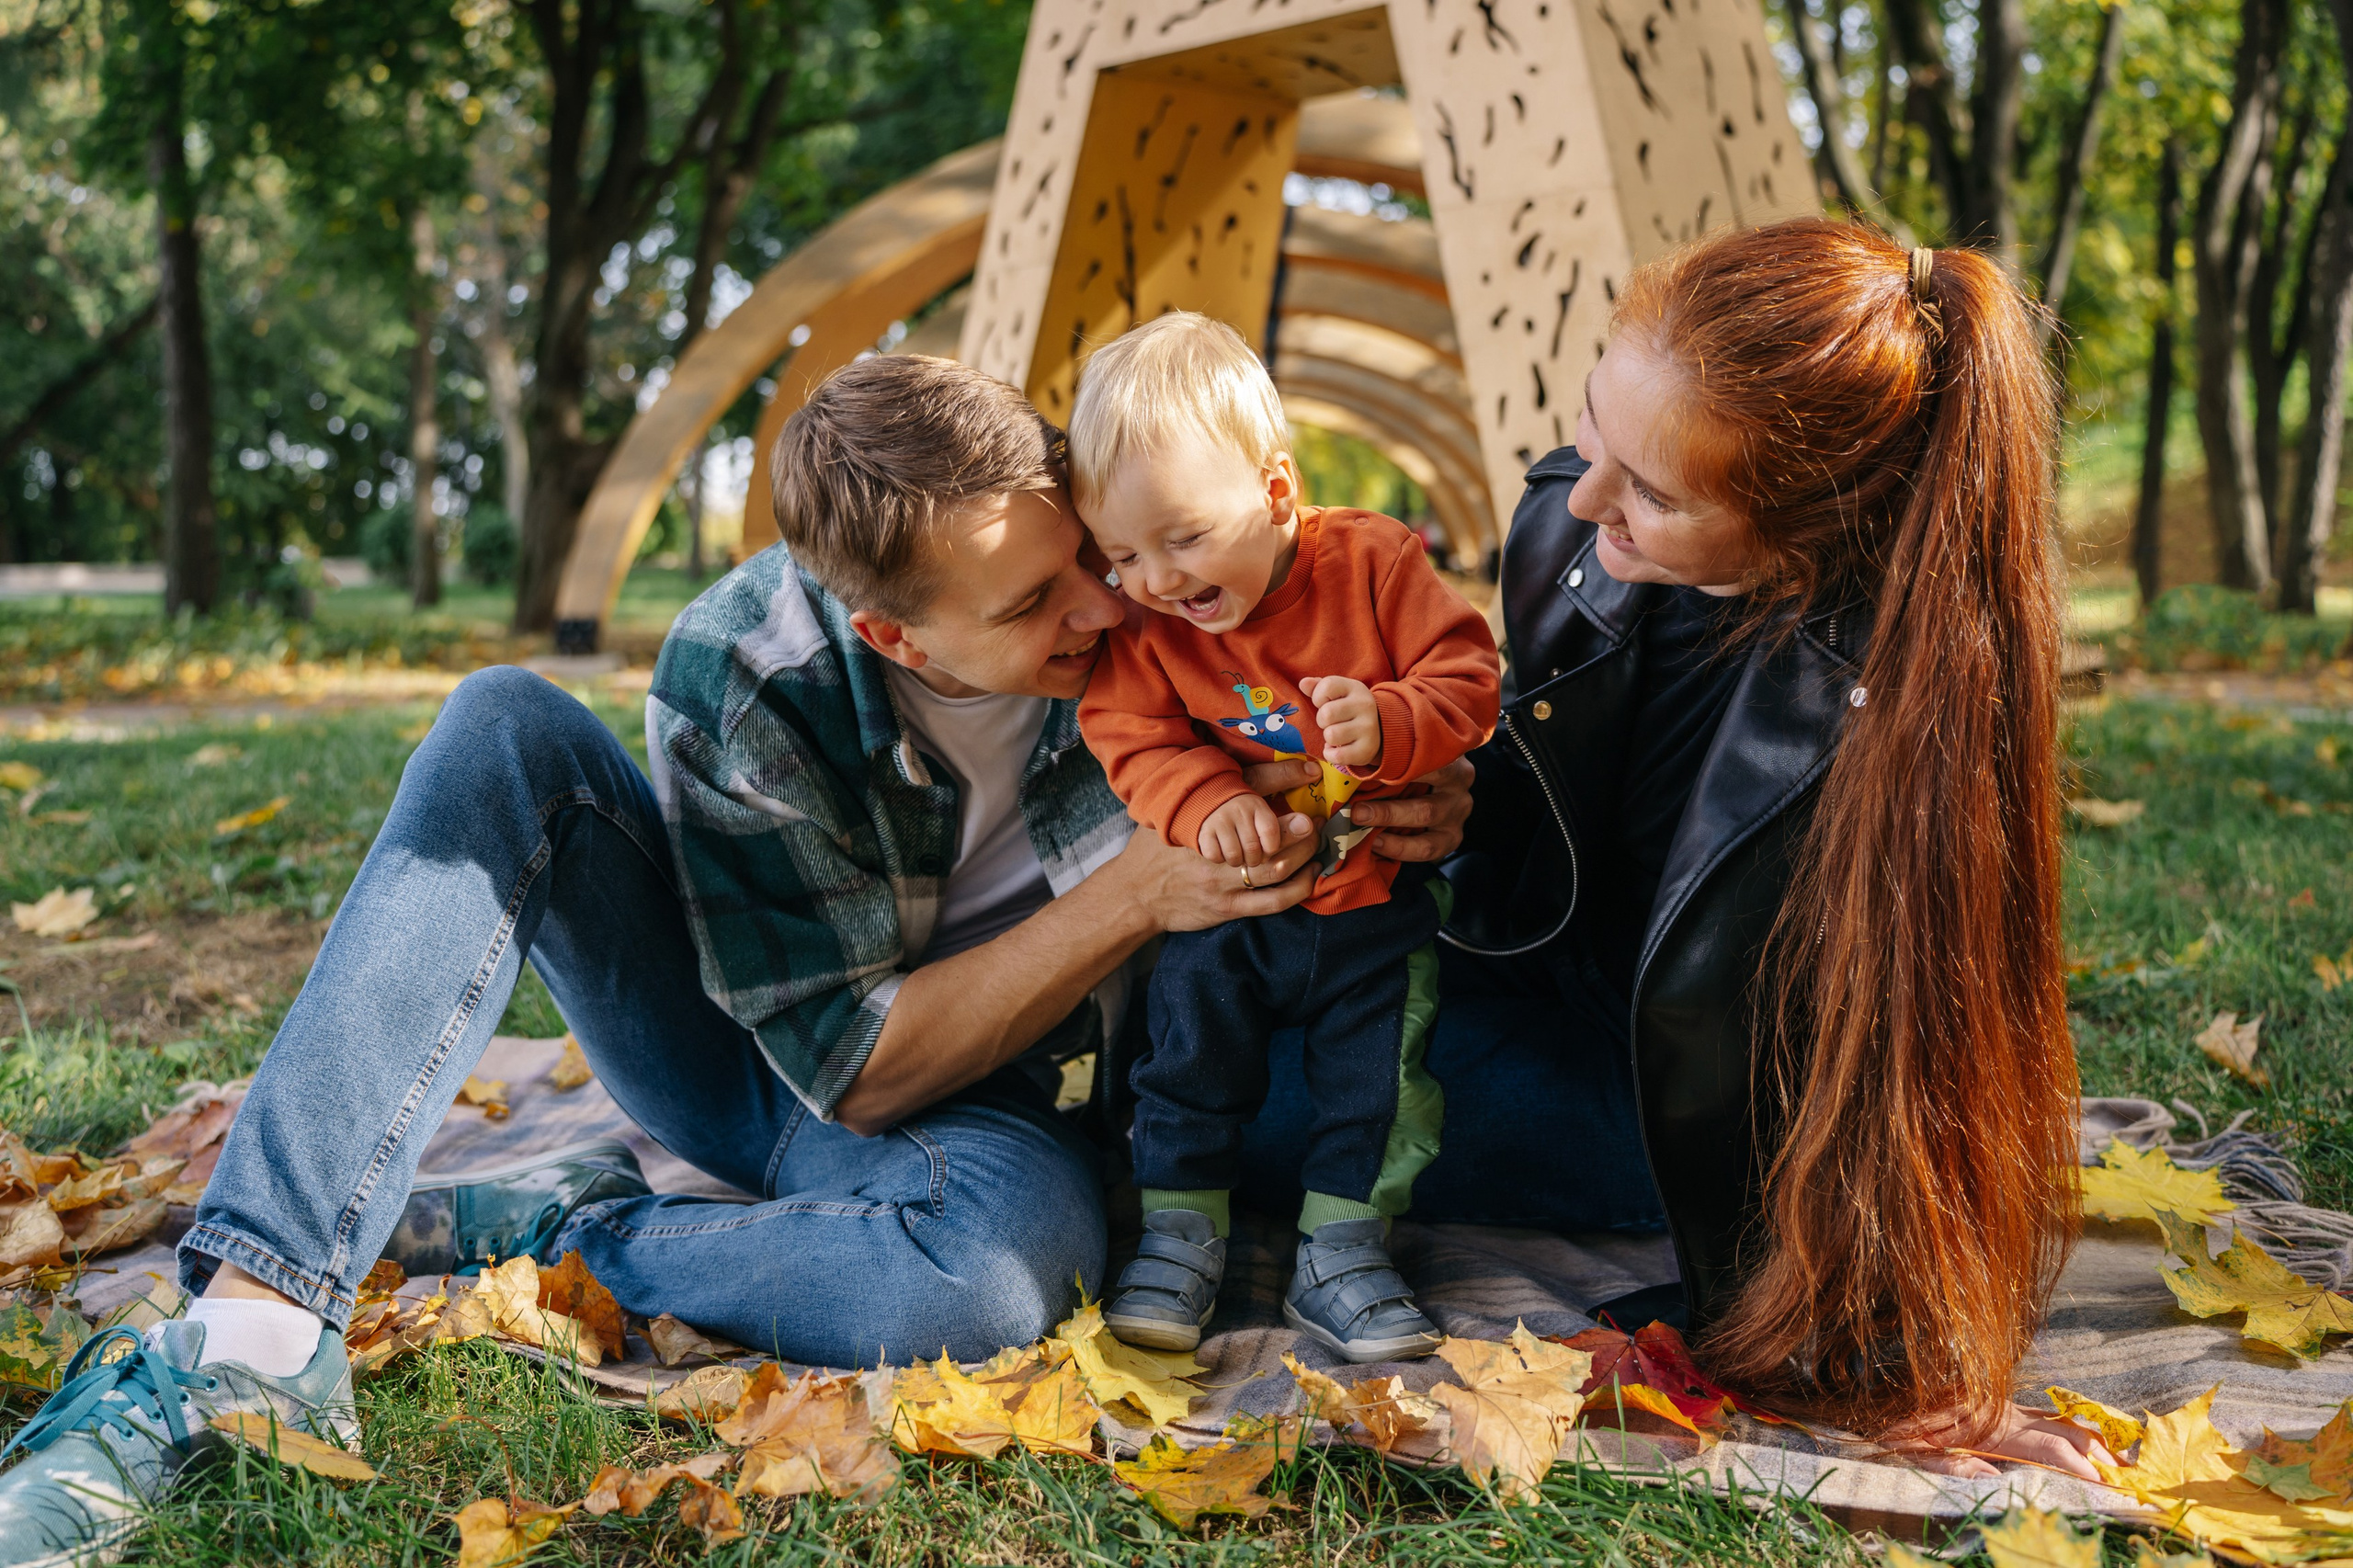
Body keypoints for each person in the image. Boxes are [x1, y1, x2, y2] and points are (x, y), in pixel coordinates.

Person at [0, 353, 1472, 1564]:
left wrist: (1425, 781)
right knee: (504, 723)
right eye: (1033, 604)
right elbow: (856, 1074)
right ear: (896, 632)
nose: (1103, 604)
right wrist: (1131, 897)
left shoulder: (1161, 603)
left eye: (1086, 557)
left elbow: (1362, 672)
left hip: (1035, 1102)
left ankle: (566, 1229)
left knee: (991, 1280)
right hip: (778, 1068)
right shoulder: (748, 670)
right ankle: (251, 1321)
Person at [1341, 217, 2104, 1473]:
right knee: (1202, 1048)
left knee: (1256, 1121)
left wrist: (1895, 1360)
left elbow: (1918, 1057)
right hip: (1529, 993)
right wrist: (1462, 797)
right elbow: (1575, 810)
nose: (1582, 499)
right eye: (1593, 425)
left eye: (1653, 493)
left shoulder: (1907, 701)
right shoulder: (1571, 531)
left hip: (1692, 1112)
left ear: (1812, 527)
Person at [1070, 314, 1500, 1361]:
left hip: (1373, 904)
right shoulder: (1147, 624)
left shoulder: (1373, 563)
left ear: (1274, 492)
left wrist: (1396, 719)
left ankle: (1344, 1250)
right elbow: (1128, 732)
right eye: (1122, 554)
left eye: (1183, 537)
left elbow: (1468, 676)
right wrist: (1201, 798)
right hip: (1229, 905)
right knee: (1187, 1061)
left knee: (1380, 1085)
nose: (1156, 579)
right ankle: (1179, 1231)